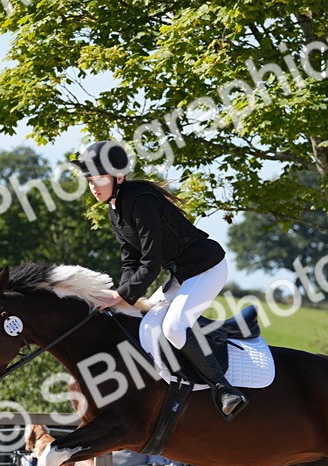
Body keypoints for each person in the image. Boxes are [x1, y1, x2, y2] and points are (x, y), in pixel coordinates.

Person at [72, 140, 247, 420]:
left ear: (119, 177)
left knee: (175, 328)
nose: (94, 186)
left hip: (207, 268)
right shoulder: (115, 208)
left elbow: (150, 262)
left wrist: (121, 296)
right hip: (182, 273)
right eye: (90, 180)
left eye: (99, 178)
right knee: (148, 323)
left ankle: (225, 389)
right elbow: (130, 259)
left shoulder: (140, 200)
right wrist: (122, 295)